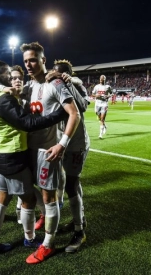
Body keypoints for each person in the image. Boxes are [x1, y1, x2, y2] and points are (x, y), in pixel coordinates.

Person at [0, 60, 67, 257]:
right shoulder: (3, 99)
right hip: (13, 156)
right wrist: (57, 115)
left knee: (3, 198)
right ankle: (29, 239)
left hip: (1, 154)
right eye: (6, 74)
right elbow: (27, 123)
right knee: (27, 199)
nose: (10, 76)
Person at [20, 42, 81, 264]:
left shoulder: (54, 82)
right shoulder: (30, 86)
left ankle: (48, 244)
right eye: (26, 60)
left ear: (43, 60)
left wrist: (62, 144)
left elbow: (74, 114)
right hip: (30, 149)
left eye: (33, 59)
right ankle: (46, 223)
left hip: (48, 150)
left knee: (48, 197)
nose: (29, 64)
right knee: (33, 192)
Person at [0, 65, 45, 229]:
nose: (16, 80)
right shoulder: (1, 95)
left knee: (25, 186)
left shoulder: (28, 92)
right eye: (13, 77)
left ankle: (27, 213)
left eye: (19, 78)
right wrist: (2, 87)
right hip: (3, 150)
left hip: (23, 149)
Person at [48, 59, 90, 253]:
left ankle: (79, 232)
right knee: (71, 184)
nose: (56, 76)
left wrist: (70, 83)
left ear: (68, 74)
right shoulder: (53, 87)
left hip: (76, 145)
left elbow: (81, 107)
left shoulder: (78, 87)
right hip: (60, 144)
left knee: (72, 184)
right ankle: (78, 220)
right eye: (54, 72)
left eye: (60, 74)